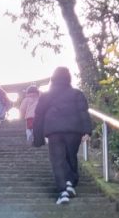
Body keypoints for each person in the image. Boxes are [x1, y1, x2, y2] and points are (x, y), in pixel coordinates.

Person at [33, 67, 92, 205]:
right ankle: (70, 183)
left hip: (54, 131)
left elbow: (39, 115)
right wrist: (87, 131)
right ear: (68, 78)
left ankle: (63, 191)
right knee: (70, 157)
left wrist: (37, 136)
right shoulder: (77, 94)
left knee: (58, 160)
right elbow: (83, 112)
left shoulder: (46, 95)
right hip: (74, 130)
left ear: (53, 79)